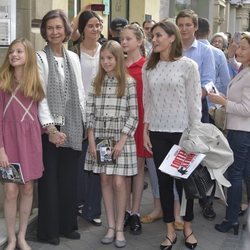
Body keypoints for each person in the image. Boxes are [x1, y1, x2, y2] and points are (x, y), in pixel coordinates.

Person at [143, 20, 201, 250]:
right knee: (165, 184)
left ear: (172, 37)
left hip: (182, 134)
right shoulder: (149, 66)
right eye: (152, 36)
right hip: (157, 132)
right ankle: (169, 231)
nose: (154, 39)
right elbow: (147, 101)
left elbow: (194, 104)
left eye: (158, 35)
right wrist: (146, 130)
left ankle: (187, 227)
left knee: (186, 186)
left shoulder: (188, 66)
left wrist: (194, 135)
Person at [36, 9, 86, 245]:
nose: (54, 32)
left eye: (58, 27)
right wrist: (51, 129)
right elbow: (40, 96)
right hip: (50, 128)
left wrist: (85, 123)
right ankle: (49, 231)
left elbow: (80, 93)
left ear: (66, 30)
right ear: (45, 31)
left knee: (68, 180)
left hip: (73, 125)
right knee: (50, 181)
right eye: (50, 28)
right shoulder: (39, 58)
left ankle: (68, 225)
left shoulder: (74, 58)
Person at [84, 40, 138, 248]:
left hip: (121, 139)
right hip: (101, 137)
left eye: (110, 58)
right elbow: (89, 112)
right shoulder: (96, 82)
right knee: (105, 180)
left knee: (118, 182)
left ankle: (120, 229)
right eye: (103, 58)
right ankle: (110, 225)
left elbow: (134, 115)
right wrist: (90, 139)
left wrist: (122, 141)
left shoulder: (129, 83)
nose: (106, 62)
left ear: (118, 58)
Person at [0, 38, 45, 250]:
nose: (14, 55)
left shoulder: (36, 84)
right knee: (10, 191)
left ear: (28, 56)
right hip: (9, 146)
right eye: (11, 51)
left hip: (31, 145)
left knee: (27, 189)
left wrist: (55, 131)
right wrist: (1, 150)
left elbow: (44, 116)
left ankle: (22, 236)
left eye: (19, 51)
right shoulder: (2, 84)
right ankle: (10, 238)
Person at [176, 9, 217, 221]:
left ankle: (205, 200)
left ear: (195, 27)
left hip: (196, 109)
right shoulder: (171, 47)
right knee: (179, 158)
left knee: (199, 158)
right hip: (173, 112)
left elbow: (209, 80)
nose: (183, 29)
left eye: (187, 25)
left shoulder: (204, 51)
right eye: (180, 24)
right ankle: (179, 207)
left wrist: (196, 96)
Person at [208, 32, 250, 235]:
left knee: (235, 175)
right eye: (238, 46)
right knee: (245, 174)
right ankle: (234, 216)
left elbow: (246, 109)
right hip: (240, 130)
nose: (238, 50)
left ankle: (231, 218)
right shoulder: (245, 69)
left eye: (243, 48)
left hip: (241, 132)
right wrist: (224, 98)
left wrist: (223, 102)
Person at [120, 23, 159, 234]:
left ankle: (134, 212)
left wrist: (148, 126)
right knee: (124, 170)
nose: (124, 42)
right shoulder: (118, 65)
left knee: (137, 169)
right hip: (122, 123)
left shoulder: (147, 66)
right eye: (122, 39)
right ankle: (124, 210)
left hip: (142, 122)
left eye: (128, 38)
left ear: (139, 41)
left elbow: (153, 98)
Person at [70, 10, 103, 226]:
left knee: (99, 160)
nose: (96, 29)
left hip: (102, 114)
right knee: (80, 160)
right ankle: (79, 202)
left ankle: (94, 208)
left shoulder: (108, 51)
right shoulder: (73, 52)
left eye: (98, 25)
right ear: (82, 29)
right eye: (91, 25)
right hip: (78, 113)